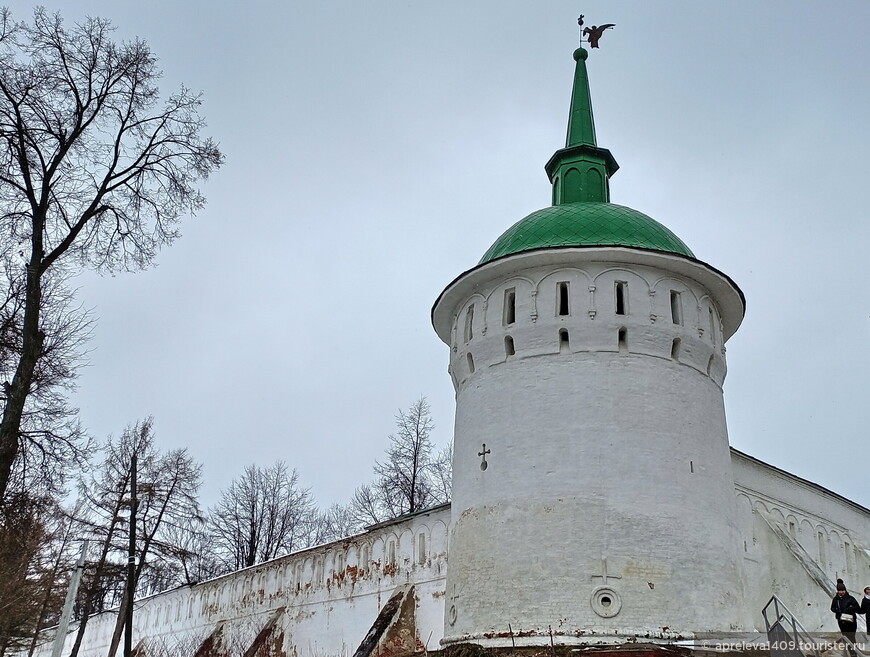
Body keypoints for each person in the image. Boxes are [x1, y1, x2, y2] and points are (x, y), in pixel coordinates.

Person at [832, 579, 861, 651]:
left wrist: (851, 609)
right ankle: (850, 651)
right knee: (845, 637)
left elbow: (858, 608)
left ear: (845, 590)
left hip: (851, 621)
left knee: (851, 637)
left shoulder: (850, 599)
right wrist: (836, 610)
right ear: (838, 591)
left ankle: (854, 652)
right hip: (841, 621)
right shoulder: (836, 599)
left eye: (843, 590)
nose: (842, 592)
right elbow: (832, 608)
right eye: (840, 590)